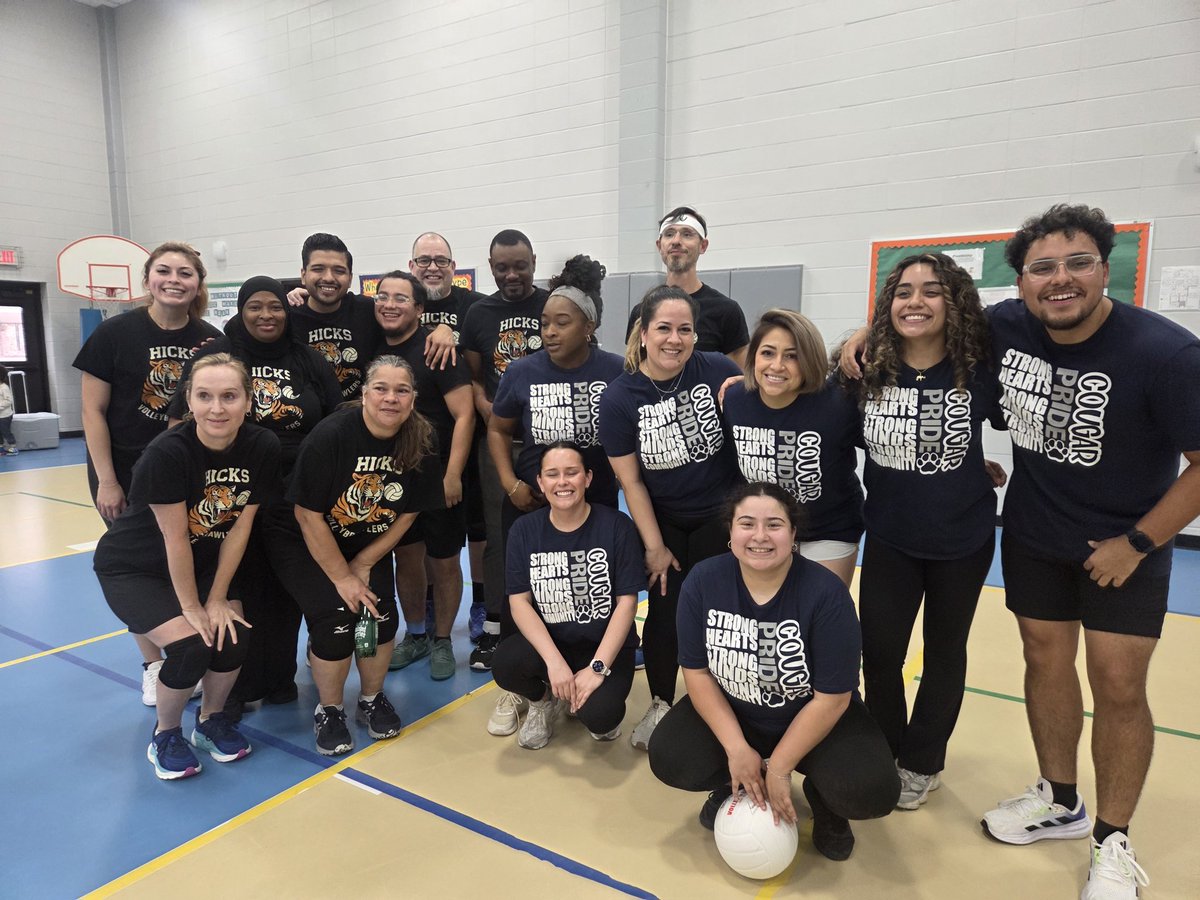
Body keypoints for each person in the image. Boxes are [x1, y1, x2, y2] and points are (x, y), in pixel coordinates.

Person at [841, 205, 1200, 899]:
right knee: (1044, 662)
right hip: (1032, 533)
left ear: (1106, 267)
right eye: (1042, 268)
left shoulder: (1165, 353)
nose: (1059, 280)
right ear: (1022, 281)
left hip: (1126, 542)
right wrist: (863, 330)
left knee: (1119, 685)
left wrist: (1138, 542)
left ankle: (1112, 841)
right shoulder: (1005, 329)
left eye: (1077, 264)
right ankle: (1060, 798)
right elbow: (915, 326)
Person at [648, 482, 898, 860]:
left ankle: (824, 801)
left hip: (813, 718)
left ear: (794, 534)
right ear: (730, 533)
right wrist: (735, 748)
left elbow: (832, 699)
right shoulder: (703, 581)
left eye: (775, 525)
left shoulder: (826, 593)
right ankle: (738, 778)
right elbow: (696, 673)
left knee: (870, 790)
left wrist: (780, 769)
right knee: (670, 756)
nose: (760, 536)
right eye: (747, 524)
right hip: (739, 712)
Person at [836, 254, 1002, 813]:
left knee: (944, 650)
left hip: (964, 538)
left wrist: (975, 465)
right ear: (887, 305)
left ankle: (923, 761)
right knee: (880, 652)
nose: (916, 301)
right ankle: (885, 745)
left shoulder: (979, 367)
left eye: (932, 291)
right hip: (890, 536)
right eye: (903, 291)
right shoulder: (863, 371)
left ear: (953, 302)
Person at [93, 354, 281, 779]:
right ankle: (166, 734)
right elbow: (173, 537)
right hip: (134, 566)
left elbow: (239, 526)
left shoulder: (262, 446)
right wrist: (194, 608)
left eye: (229, 396)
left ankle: (210, 723)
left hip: (198, 564)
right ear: (189, 402)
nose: (217, 408)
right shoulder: (167, 452)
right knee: (192, 644)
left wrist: (216, 598)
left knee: (231, 636)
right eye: (205, 396)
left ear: (248, 402)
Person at [167, 276, 342, 712]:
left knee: (284, 592)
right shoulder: (220, 356)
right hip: (232, 490)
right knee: (238, 587)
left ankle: (278, 677)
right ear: (240, 312)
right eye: (255, 307)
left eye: (276, 307)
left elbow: (336, 415)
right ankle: (232, 688)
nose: (267, 315)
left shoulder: (308, 358)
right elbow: (179, 418)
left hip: (295, 494)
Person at [266, 355, 444, 756]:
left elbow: (409, 511)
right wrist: (342, 578)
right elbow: (307, 515)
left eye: (401, 390)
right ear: (364, 394)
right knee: (335, 621)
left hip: (365, 540)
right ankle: (329, 710)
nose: (390, 398)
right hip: (304, 538)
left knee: (380, 618)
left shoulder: (420, 439)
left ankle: (370, 698)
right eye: (381, 388)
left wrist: (365, 562)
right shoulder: (332, 436)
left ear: (413, 399)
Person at [74, 241, 222, 705]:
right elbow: (92, 412)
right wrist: (109, 480)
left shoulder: (211, 339)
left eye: (185, 273)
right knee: (139, 565)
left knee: (177, 557)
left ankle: (180, 648)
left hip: (183, 471)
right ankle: (152, 663)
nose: (175, 280)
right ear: (148, 279)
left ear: (198, 283)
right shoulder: (114, 334)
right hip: (122, 469)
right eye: (165, 271)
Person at [483, 255, 625, 734]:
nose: (549, 330)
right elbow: (499, 431)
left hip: (593, 505)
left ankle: (595, 667)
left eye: (562, 322)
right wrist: (510, 484)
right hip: (531, 500)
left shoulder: (616, 370)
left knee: (587, 592)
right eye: (545, 322)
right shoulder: (522, 372)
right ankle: (527, 691)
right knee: (522, 591)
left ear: (589, 326)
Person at [598, 285, 742, 749]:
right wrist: (654, 545)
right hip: (665, 521)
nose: (674, 339)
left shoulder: (718, 369)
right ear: (643, 333)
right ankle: (661, 701)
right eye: (663, 328)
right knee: (664, 611)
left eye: (685, 329)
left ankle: (723, 705)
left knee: (721, 616)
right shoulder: (621, 397)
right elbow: (631, 481)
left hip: (721, 520)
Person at [491, 443, 641, 749]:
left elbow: (626, 603)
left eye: (571, 473)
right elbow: (519, 601)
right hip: (555, 645)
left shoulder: (617, 526)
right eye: (553, 474)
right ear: (541, 482)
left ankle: (582, 697)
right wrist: (555, 663)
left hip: (603, 647)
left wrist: (597, 668)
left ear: (587, 478)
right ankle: (543, 701)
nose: (563, 482)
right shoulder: (524, 530)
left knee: (601, 716)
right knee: (506, 664)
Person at [371, 272, 475, 682]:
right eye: (383, 296)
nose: (390, 304)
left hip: (438, 476)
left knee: (445, 561)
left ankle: (444, 639)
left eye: (401, 298)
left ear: (419, 309)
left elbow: (465, 415)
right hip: (393, 478)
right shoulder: (373, 347)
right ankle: (415, 635)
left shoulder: (438, 351)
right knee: (406, 558)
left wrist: (452, 473)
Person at [460, 229, 550, 670]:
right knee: (501, 537)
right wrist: (487, 408)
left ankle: (554, 620)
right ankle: (496, 625)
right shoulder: (480, 312)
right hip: (500, 441)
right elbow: (476, 377)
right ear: (491, 265)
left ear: (534, 260)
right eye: (502, 267)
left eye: (520, 265)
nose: (511, 274)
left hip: (551, 445)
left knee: (555, 535)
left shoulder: (554, 304)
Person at [723, 309, 864, 587]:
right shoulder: (735, 399)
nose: (776, 365)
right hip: (763, 532)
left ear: (809, 360)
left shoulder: (838, 403)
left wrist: (866, 332)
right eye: (767, 353)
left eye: (791, 356)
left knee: (818, 619)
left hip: (827, 531)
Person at [409, 231, 491, 642]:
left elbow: (484, 353)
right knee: (420, 531)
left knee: (475, 526)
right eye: (424, 260)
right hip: (410, 442)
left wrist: (449, 331)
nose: (432, 267)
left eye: (441, 260)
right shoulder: (401, 301)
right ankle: (425, 602)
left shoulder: (473, 307)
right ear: (412, 266)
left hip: (465, 433)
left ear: (454, 267)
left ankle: (479, 602)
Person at [626, 206, 749, 367]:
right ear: (659, 245)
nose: (676, 241)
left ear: (703, 246)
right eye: (669, 234)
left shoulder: (726, 311)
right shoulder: (642, 311)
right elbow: (633, 368)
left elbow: (739, 378)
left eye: (687, 234)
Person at [288, 232, 380, 401]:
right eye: (318, 269)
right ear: (303, 275)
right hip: (309, 421)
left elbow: (409, 319)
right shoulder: (287, 317)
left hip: (358, 417)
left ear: (350, 278)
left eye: (339, 271)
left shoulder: (367, 309)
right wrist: (277, 299)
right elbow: (237, 328)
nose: (329, 278)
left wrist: (445, 328)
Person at [0, 365, 15, 455]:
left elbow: (9, 401)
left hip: (4, 416)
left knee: (6, 431)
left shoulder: (4, 387)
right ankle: (1, 448)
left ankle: (12, 447)